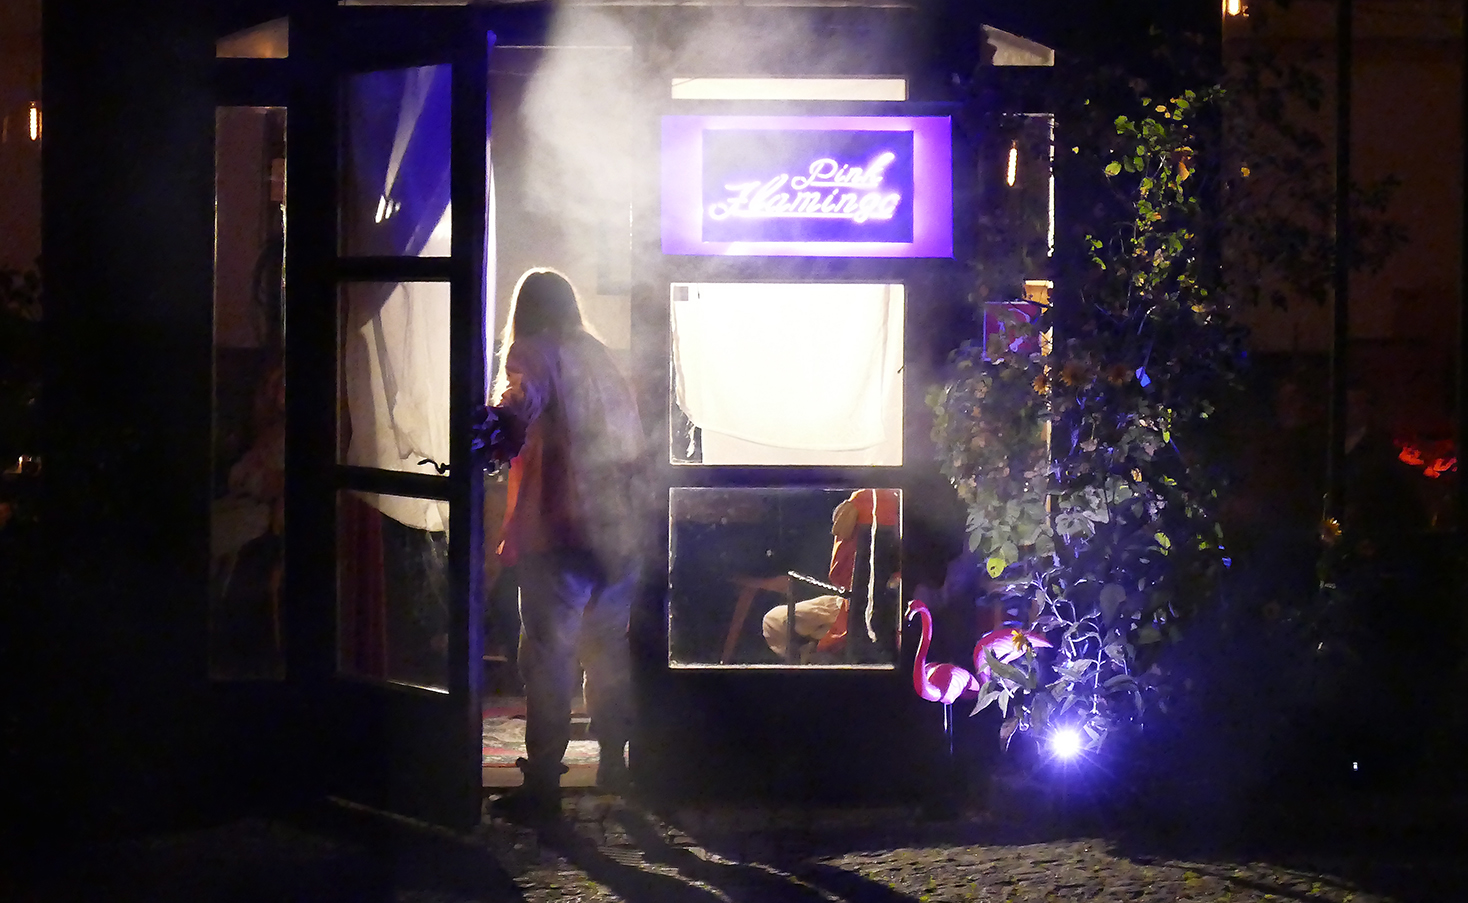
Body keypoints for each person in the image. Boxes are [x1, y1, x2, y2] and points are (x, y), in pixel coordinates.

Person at [479, 269, 646, 820]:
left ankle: (544, 783)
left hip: (559, 530)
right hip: (616, 531)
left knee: (548, 660)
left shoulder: (532, 353)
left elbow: (513, 415)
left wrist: (475, 437)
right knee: (607, 652)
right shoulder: (599, 356)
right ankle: (615, 764)